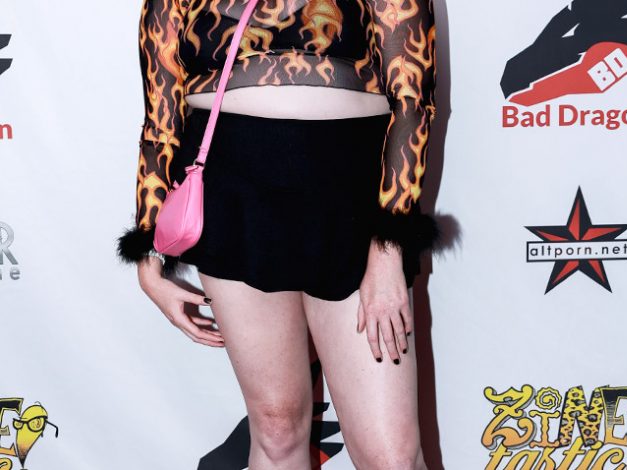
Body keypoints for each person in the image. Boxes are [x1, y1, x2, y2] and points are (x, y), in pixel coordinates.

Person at [116, 0, 442, 468]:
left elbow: (413, 105)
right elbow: (161, 122)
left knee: (391, 457)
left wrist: (389, 249)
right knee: (275, 427)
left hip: (350, 205)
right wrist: (148, 251)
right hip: (233, 200)